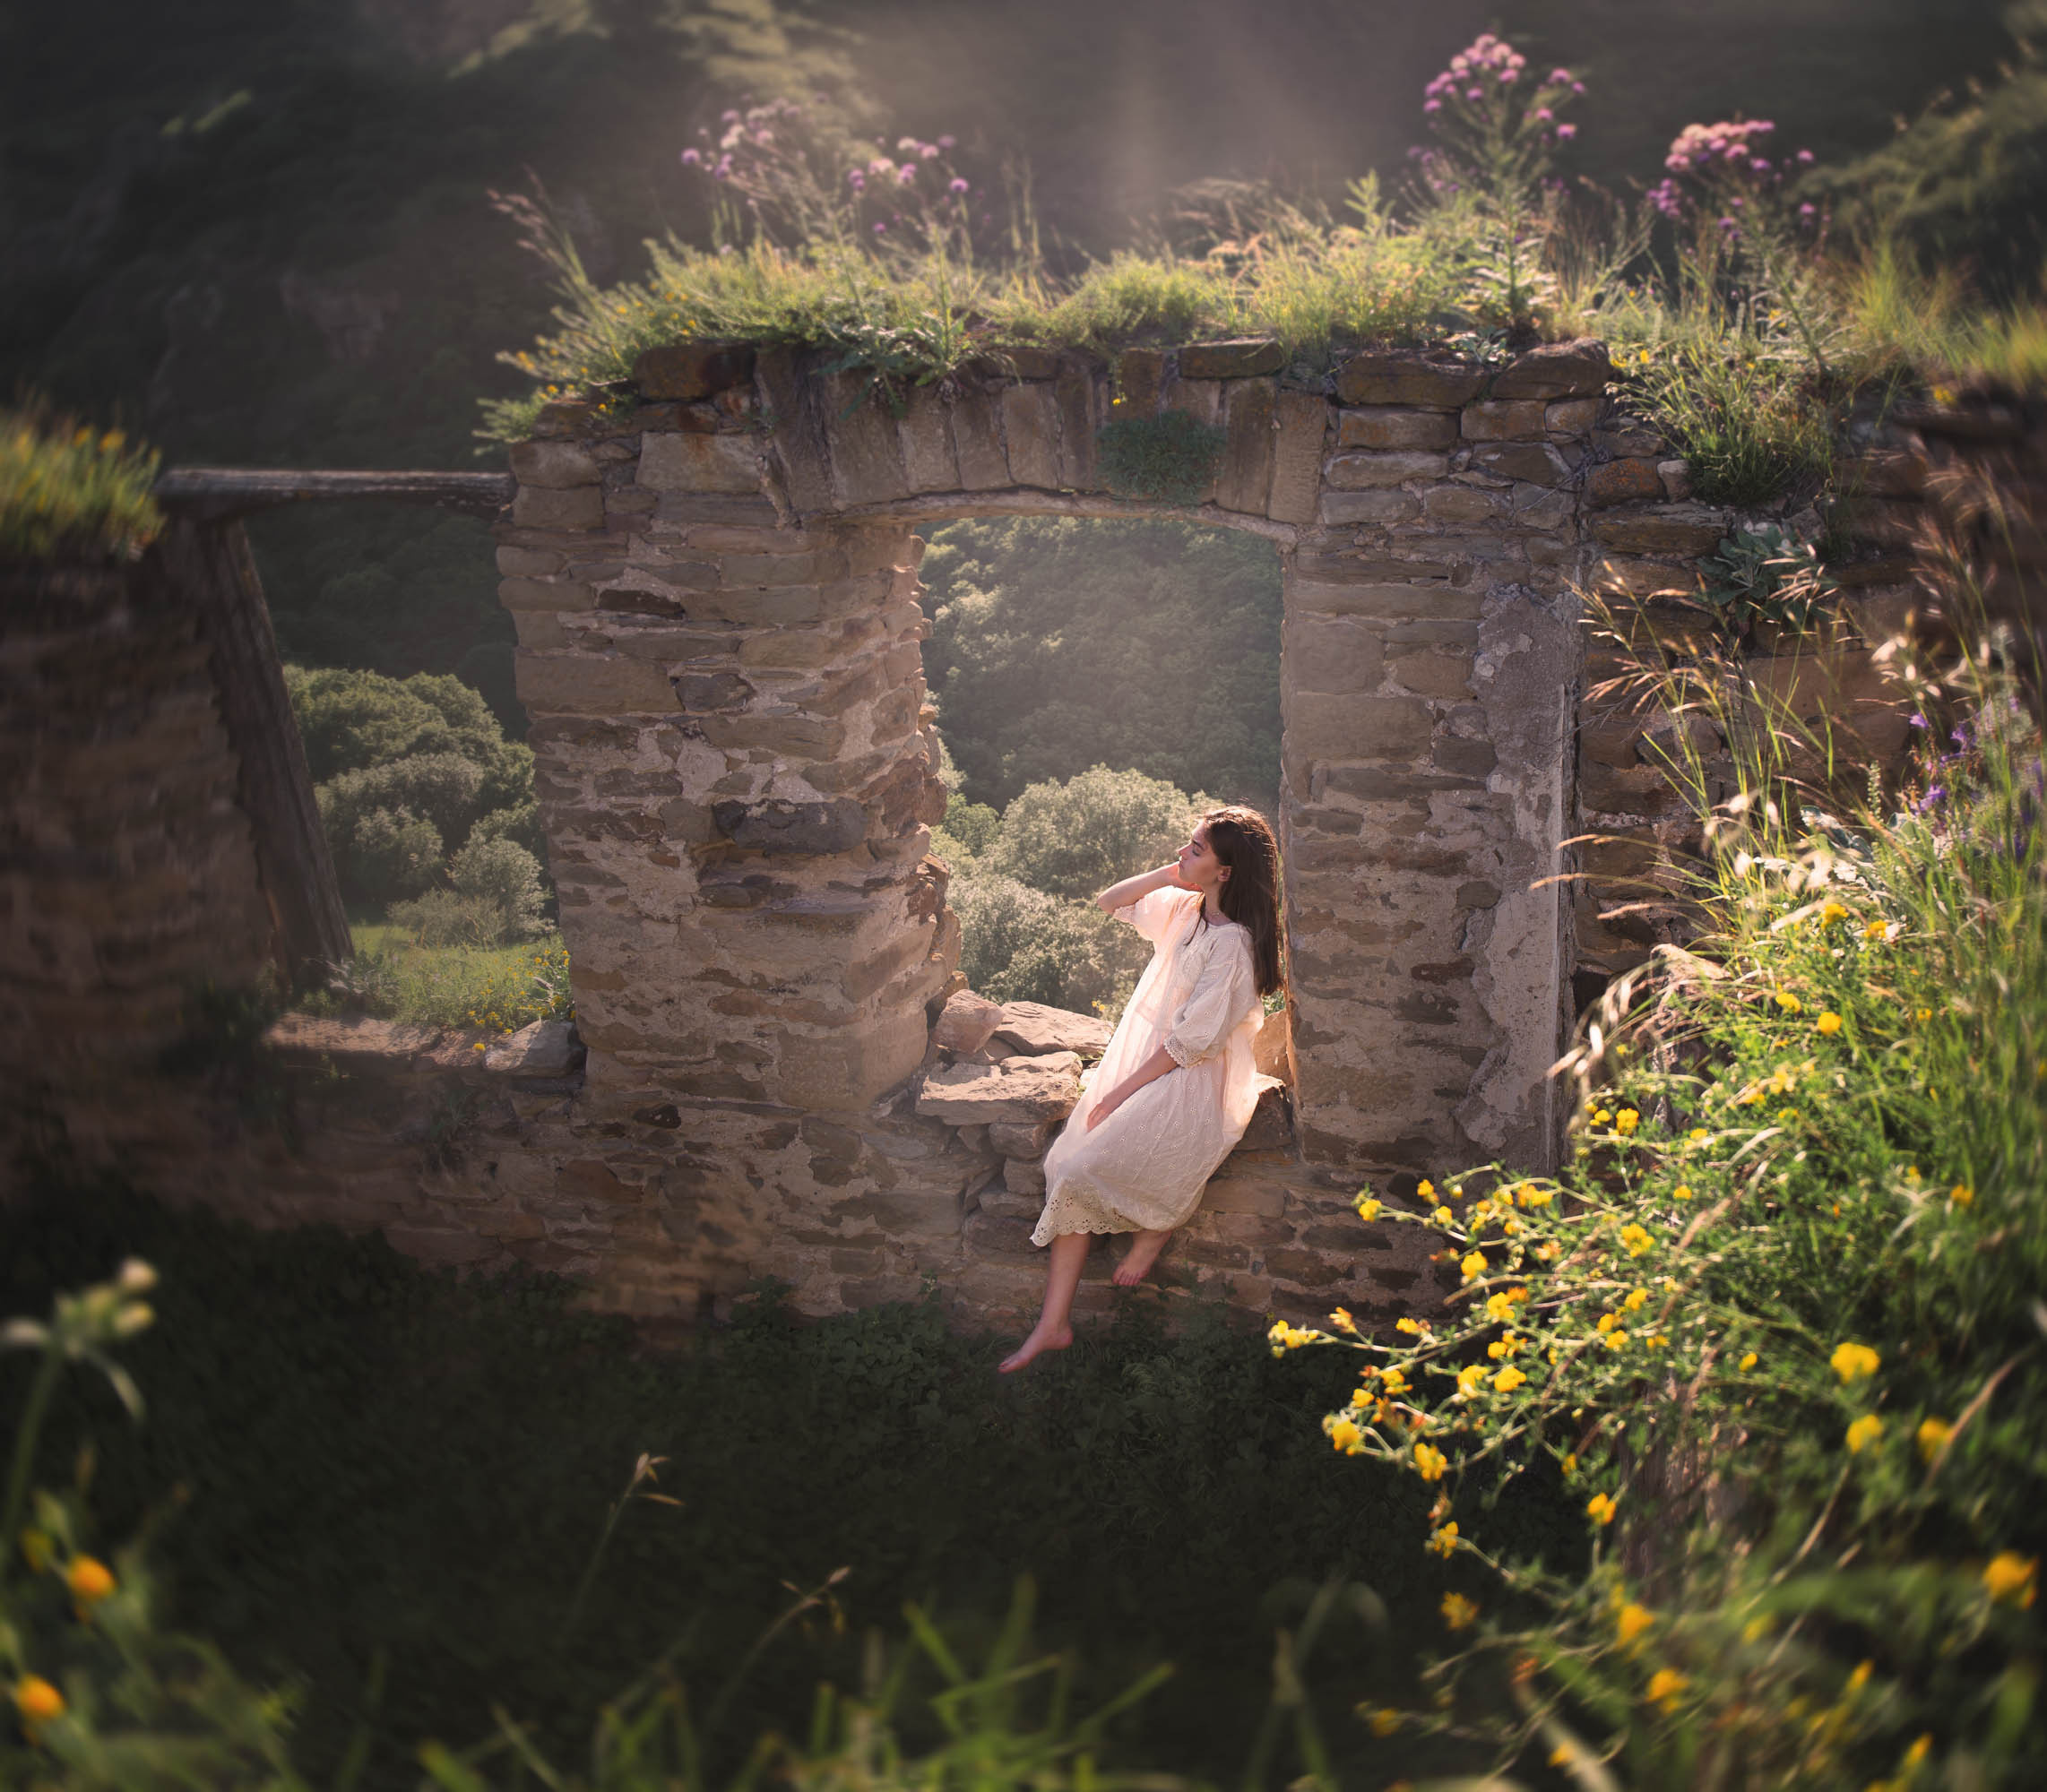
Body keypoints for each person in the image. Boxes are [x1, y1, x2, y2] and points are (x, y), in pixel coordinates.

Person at [997, 806, 1285, 1374]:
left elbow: (1187, 1047)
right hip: (1147, 1059)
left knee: (1082, 1169)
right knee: (1065, 1165)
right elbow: (1111, 902)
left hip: (1189, 1081)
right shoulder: (1186, 908)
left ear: (1225, 872)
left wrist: (1113, 1094)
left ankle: (1158, 1226)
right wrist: (1169, 874)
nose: (1183, 852)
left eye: (1195, 849)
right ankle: (1053, 1325)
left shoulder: (1233, 947)